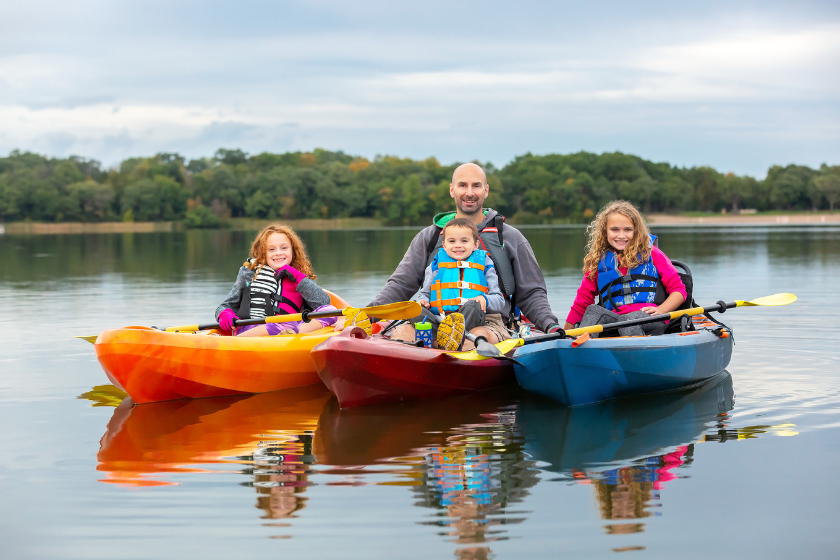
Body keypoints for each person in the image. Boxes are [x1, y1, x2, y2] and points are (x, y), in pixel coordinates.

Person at [339, 162, 561, 350]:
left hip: (490, 321)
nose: (469, 192)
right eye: (462, 185)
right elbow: (400, 285)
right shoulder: (430, 237)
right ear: (452, 190)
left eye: (476, 186)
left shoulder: (510, 238)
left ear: (486, 191)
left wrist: (550, 326)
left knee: (469, 341)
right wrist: (368, 314)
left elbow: (531, 293)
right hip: (435, 317)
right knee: (403, 333)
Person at [564, 200, 686, 337]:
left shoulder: (652, 253)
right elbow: (581, 304)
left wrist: (663, 309)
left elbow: (679, 290)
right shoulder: (598, 263)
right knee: (593, 311)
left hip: (650, 318)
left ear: (636, 231)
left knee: (629, 320)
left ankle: (637, 355)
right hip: (617, 320)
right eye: (614, 229)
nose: (621, 236)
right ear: (605, 231)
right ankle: (576, 347)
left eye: (628, 230)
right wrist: (563, 336)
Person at [215, 224, 338, 336]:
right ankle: (240, 340)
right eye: (271, 249)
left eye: (284, 248)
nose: (278, 253)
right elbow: (225, 305)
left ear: (293, 251)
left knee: (330, 310)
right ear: (263, 253)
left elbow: (323, 302)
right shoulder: (248, 273)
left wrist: (297, 277)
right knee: (275, 326)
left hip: (289, 331)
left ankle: (290, 333)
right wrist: (224, 313)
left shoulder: (299, 276)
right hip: (252, 331)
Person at [414, 218, 506, 350]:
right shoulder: (436, 264)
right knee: (416, 311)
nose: (458, 245)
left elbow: (499, 300)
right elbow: (425, 294)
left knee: (474, 305)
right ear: (444, 245)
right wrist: (422, 301)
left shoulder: (485, 262)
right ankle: (447, 336)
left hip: (470, 318)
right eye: (452, 241)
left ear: (475, 245)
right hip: (439, 319)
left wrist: (484, 299)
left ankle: (451, 337)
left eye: (464, 240)